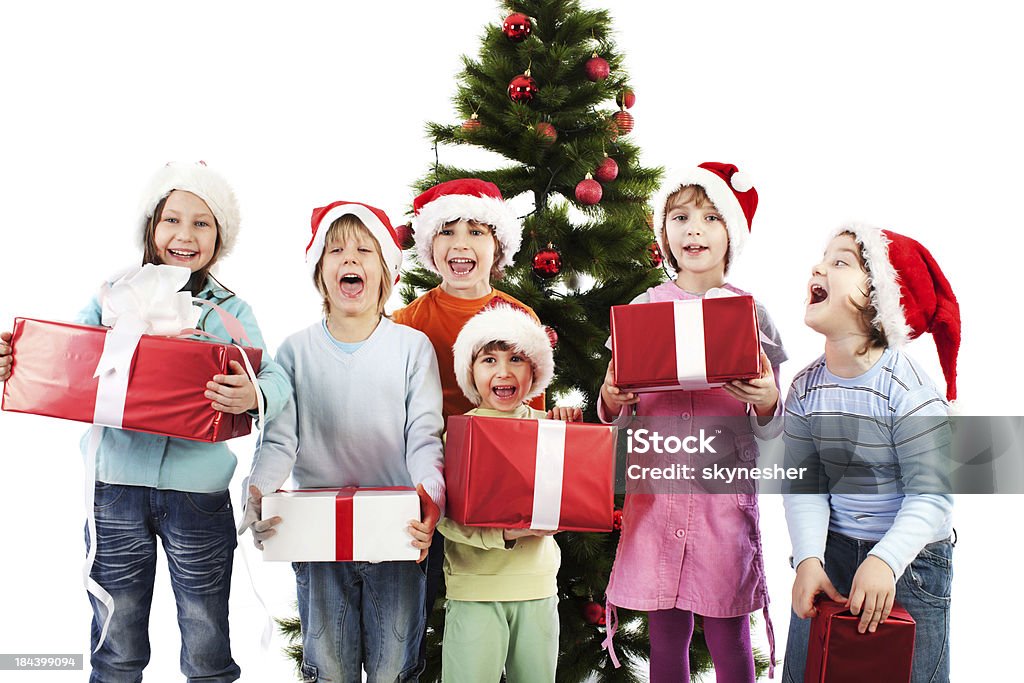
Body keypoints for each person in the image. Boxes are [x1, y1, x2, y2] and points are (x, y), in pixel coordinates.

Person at [0, 161, 292, 682]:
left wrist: (253, 393)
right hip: (114, 488)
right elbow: (69, 364)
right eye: (172, 220)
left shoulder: (230, 311)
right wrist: (16, 359)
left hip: (198, 496)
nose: (185, 234)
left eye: (202, 223)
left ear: (220, 237)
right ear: (150, 229)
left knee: (205, 633)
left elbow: (275, 379)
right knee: (117, 633)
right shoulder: (112, 297)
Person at [240, 200, 445, 683]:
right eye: (335, 250)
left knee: (395, 666)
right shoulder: (294, 351)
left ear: (386, 273)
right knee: (328, 666)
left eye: (363, 250)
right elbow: (278, 440)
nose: (349, 259)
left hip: (396, 533)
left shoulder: (411, 348)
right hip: (319, 536)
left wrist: (429, 493)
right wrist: (256, 488)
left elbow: (423, 434)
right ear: (319, 272)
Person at [599, 162, 787, 681]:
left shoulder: (752, 314)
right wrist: (612, 397)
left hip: (720, 504)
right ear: (665, 233)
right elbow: (617, 412)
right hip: (656, 500)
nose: (694, 229)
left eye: (709, 217)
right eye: (680, 217)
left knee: (730, 633)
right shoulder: (643, 309)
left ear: (731, 234)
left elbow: (774, 427)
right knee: (666, 635)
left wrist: (768, 399)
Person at [781, 224, 959, 683]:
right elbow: (805, 484)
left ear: (882, 299)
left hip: (911, 562)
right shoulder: (804, 390)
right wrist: (807, 560)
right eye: (822, 258)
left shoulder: (910, 391)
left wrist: (884, 560)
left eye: (841, 262)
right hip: (833, 553)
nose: (819, 266)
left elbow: (933, 495)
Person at [391, 177, 544, 669]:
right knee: (410, 620)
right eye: (447, 232)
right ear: (429, 245)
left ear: (497, 245)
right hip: (425, 488)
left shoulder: (520, 318)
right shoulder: (407, 322)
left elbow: (531, 419)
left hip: (492, 493)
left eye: (476, 231)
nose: (461, 244)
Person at [439, 302, 578, 683]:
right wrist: (502, 534)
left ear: (534, 369)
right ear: (471, 370)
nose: (503, 371)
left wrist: (572, 436)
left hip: (536, 589)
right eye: (489, 360)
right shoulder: (458, 435)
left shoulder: (551, 428)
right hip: (474, 591)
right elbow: (444, 519)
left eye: (516, 358)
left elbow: (574, 499)